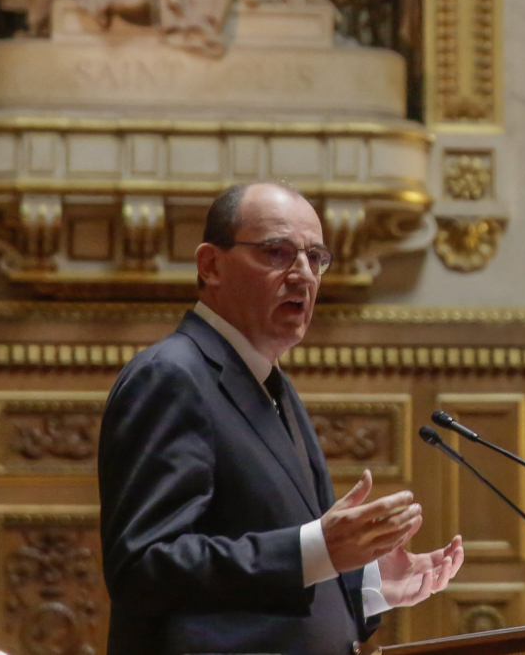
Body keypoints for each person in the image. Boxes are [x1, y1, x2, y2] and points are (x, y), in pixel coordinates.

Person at [98, 182, 464, 655]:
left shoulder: (271, 384)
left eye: (315, 257)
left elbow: (285, 568)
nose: (303, 274)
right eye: (277, 253)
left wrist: (365, 584)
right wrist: (317, 550)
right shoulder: (171, 376)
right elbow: (144, 566)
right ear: (210, 265)